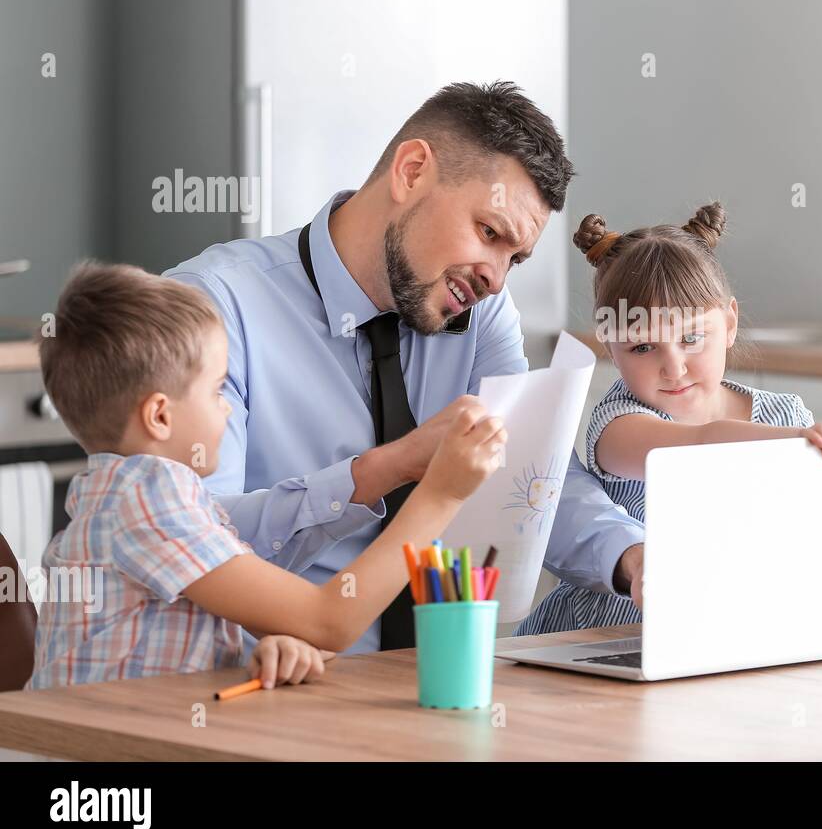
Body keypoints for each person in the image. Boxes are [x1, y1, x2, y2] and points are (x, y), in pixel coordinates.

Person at [164, 80, 645, 652]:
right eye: (488, 232)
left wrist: (632, 555)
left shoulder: (482, 313)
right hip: (266, 684)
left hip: (440, 677)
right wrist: (381, 470)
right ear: (412, 171)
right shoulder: (216, 305)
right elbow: (199, 539)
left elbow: (534, 481)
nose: (495, 277)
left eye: (513, 257)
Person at [28, 263, 505, 689]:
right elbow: (330, 620)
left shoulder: (121, 494)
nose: (228, 408)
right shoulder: (149, 498)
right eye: (217, 390)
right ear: (159, 416)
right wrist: (441, 495)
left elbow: (218, 619)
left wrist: (272, 646)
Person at [514, 203, 822, 635]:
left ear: (729, 323)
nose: (673, 367)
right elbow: (701, 444)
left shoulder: (785, 415)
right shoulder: (619, 423)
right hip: (603, 632)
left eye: (691, 338)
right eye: (642, 347)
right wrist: (801, 444)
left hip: (722, 629)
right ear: (611, 346)